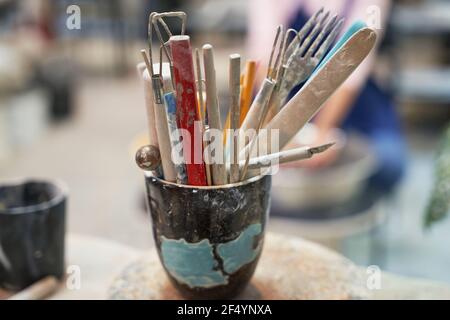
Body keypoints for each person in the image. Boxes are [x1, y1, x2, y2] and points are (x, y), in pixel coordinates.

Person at [247, 0, 406, 194]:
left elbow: (354, 66)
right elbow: (265, 56)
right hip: (283, 98)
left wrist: (323, 130)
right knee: (246, 166)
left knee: (389, 163)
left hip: (351, 101)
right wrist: (280, 132)